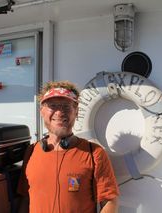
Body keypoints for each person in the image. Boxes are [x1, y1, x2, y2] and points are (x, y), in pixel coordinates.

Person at [17, 81, 119, 213]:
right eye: (52, 106)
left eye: (66, 106)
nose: (59, 112)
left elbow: (109, 201)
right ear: (42, 111)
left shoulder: (95, 153)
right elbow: (25, 198)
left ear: (76, 111)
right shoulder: (31, 151)